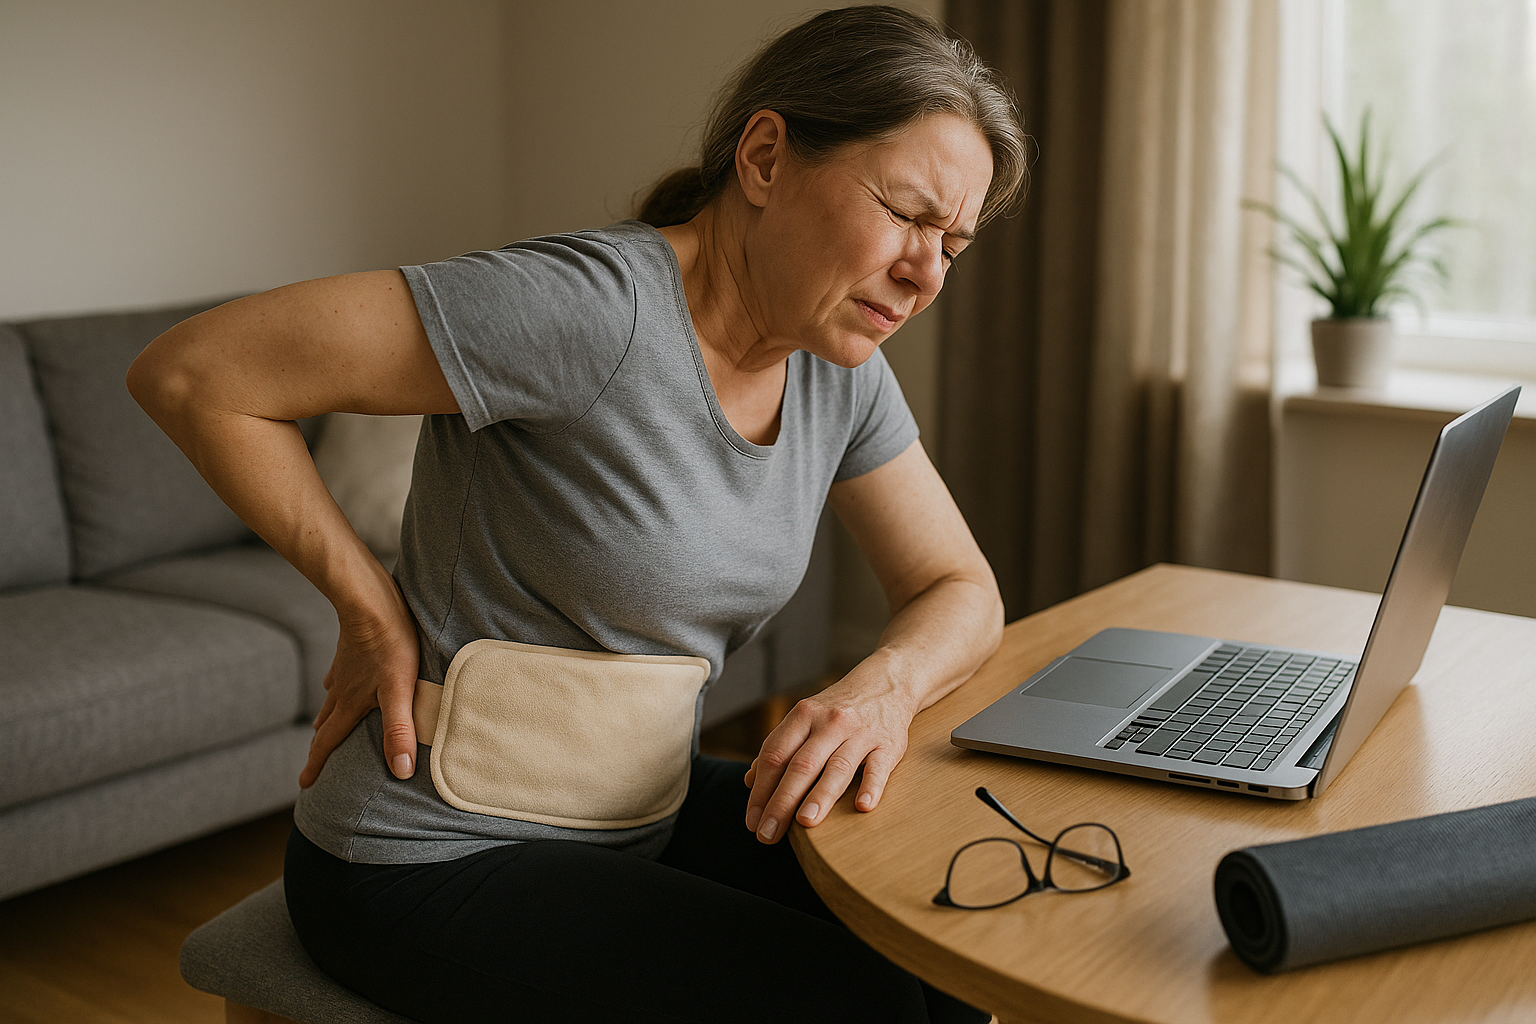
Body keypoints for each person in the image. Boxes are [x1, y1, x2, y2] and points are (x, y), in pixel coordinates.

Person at [129, 6, 1027, 1022]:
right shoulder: (585, 309)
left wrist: (882, 690)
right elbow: (196, 374)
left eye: (954, 243)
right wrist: (365, 604)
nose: (928, 275)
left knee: (953, 939)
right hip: (423, 852)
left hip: (636, 807)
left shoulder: (838, 369)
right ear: (768, 157)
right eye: (909, 215)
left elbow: (960, 587)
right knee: (861, 1003)